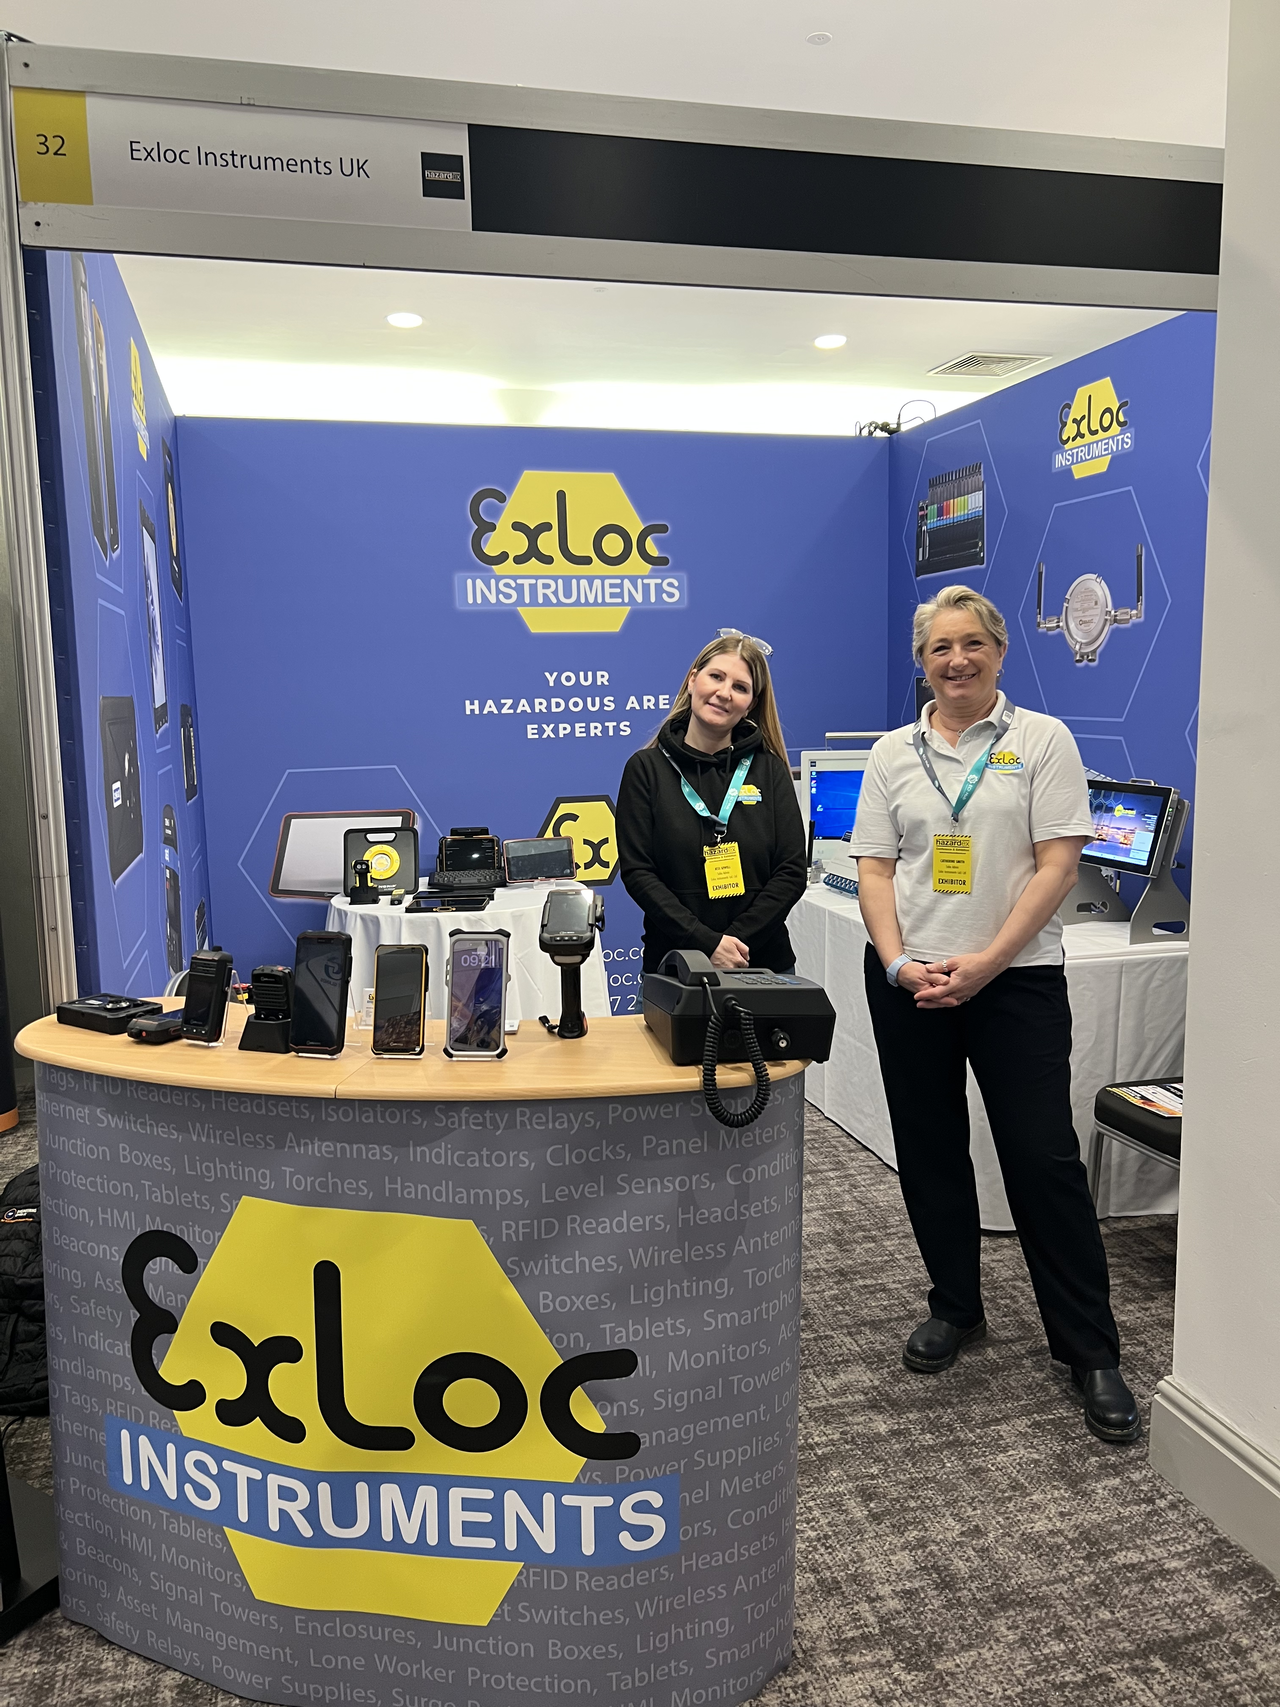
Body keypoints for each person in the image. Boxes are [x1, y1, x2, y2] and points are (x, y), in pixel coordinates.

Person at [851, 584, 1140, 1445]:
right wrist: (897, 962)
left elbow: (1058, 866)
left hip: (1016, 982)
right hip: (911, 981)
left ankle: (1090, 1350)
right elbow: (875, 867)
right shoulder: (892, 752)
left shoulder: (1042, 739)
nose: (957, 660)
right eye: (940, 647)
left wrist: (987, 963)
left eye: (972, 643)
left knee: (1042, 1157)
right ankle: (955, 1304)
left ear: (1000, 651)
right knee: (930, 1148)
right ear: (922, 662)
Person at [617, 630, 806, 974]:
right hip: (675, 967)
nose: (724, 693)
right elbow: (639, 873)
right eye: (716, 677)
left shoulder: (770, 769)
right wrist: (706, 944)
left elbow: (791, 873)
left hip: (763, 967)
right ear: (693, 680)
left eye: (740, 687)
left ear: (751, 703)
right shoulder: (646, 769)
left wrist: (734, 943)